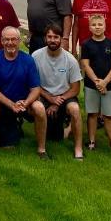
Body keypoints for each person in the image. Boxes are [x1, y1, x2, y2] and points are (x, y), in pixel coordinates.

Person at [0, 26, 48, 157]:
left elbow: (36, 89)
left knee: (39, 107)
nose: (10, 43)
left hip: (24, 103)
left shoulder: (28, 60)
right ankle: (10, 126)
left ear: (19, 41)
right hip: (4, 104)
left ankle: (42, 150)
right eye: (6, 39)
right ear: (1, 41)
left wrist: (26, 103)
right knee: (7, 147)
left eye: (13, 39)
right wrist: (11, 105)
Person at [32, 23, 84, 158]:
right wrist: (49, 98)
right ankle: (41, 149)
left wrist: (57, 102)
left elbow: (75, 89)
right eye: (49, 37)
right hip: (43, 95)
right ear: (45, 39)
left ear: (61, 39)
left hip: (64, 97)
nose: (52, 40)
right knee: (54, 136)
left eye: (56, 37)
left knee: (75, 109)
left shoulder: (70, 60)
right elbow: (33, 84)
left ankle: (78, 149)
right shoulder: (36, 56)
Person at [80, 13, 111, 151]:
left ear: (105, 26)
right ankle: (91, 141)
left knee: (109, 115)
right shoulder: (86, 45)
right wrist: (97, 82)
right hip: (91, 85)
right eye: (94, 25)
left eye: (100, 24)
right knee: (92, 114)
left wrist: (105, 82)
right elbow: (86, 65)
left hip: (109, 86)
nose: (97, 27)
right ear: (90, 28)